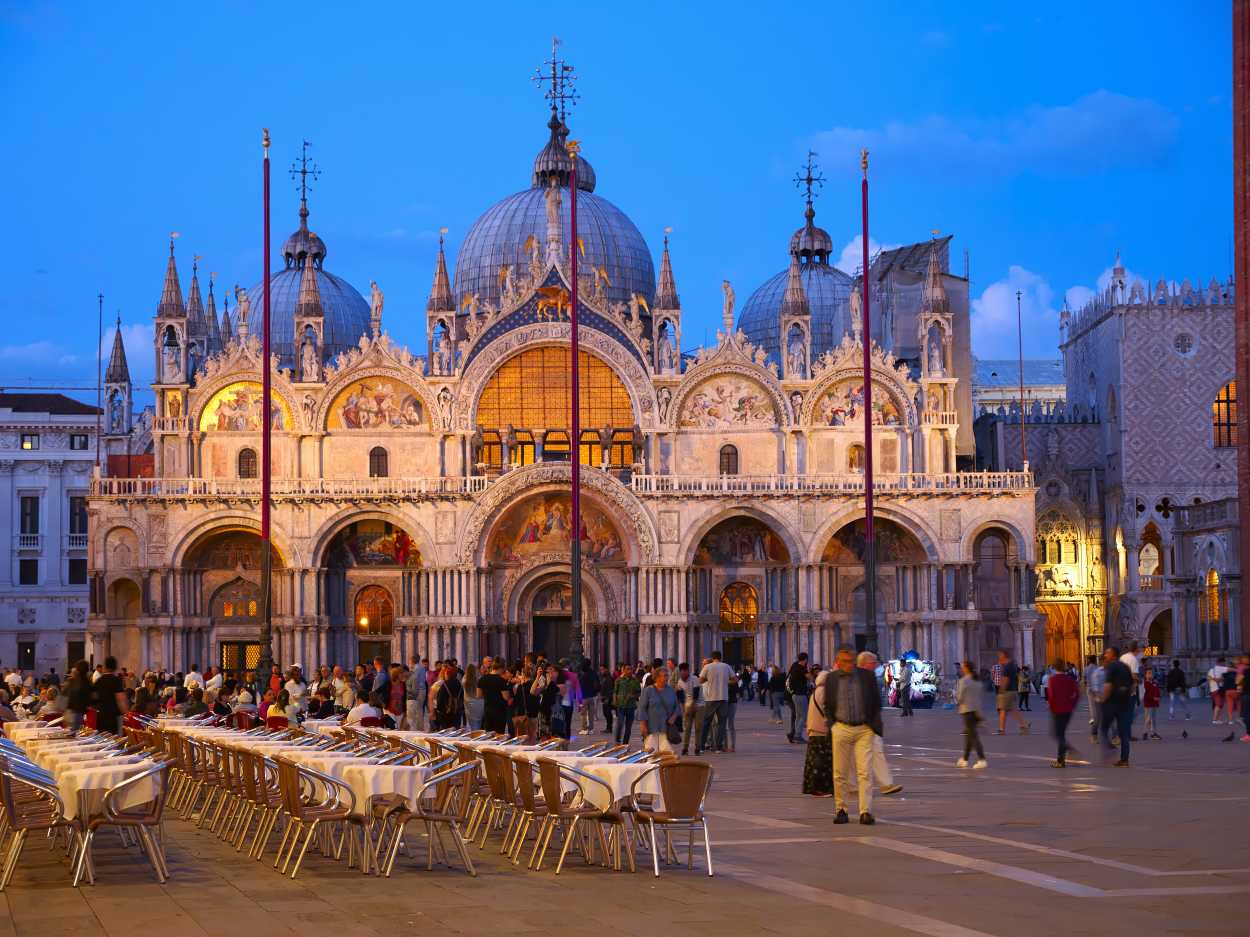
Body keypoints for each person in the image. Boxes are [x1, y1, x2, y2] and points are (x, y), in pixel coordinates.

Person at [824, 647, 882, 825]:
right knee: (839, 773)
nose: (849, 665)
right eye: (845, 661)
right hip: (841, 727)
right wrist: (833, 725)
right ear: (838, 662)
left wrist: (872, 725)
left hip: (864, 728)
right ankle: (841, 809)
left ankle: (866, 811)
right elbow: (828, 704)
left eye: (851, 661)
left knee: (864, 772)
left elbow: (876, 701)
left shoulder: (867, 677)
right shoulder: (832, 679)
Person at [857, 651, 902, 796]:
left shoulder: (869, 677)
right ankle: (850, 785)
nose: (876, 665)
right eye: (873, 663)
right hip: (858, 724)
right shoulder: (855, 677)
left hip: (870, 725)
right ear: (865, 663)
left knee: (877, 753)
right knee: (855, 757)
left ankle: (886, 784)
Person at [1099, 646, 1135, 767]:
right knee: (1124, 733)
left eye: (1107, 653)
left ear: (1114, 655)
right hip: (1125, 703)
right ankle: (1124, 760)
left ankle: (1111, 747)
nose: (1105, 655)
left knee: (1103, 729)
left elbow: (1108, 686)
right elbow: (1132, 685)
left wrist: (1103, 699)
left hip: (1112, 703)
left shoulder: (1111, 666)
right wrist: (1127, 698)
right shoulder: (1126, 667)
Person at [802, 669, 833, 796]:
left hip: (814, 729)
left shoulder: (816, 691)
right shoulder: (824, 692)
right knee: (821, 761)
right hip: (820, 730)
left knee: (814, 760)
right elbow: (828, 710)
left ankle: (812, 787)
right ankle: (819, 788)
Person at [1046, 657, 1080, 767]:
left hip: (1057, 710)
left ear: (1054, 667)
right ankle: (1061, 759)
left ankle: (1065, 755)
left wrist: (1051, 707)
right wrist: (1072, 704)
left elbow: (1051, 696)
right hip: (1068, 710)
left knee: (1057, 734)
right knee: (1060, 734)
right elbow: (1077, 693)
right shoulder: (1069, 679)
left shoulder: (1052, 679)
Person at [699, 651, 735, 753]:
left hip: (711, 697)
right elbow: (735, 679)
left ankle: (702, 746)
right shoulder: (726, 666)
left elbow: (700, 680)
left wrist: (709, 680)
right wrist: (726, 681)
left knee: (706, 722)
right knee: (721, 723)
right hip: (723, 697)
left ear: (712, 657)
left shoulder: (707, 667)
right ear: (721, 657)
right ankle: (718, 747)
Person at [637, 667, 679, 754]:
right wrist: (642, 725)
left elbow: (677, 707)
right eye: (664, 676)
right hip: (651, 728)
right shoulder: (648, 690)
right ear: (657, 678)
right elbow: (642, 708)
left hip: (666, 728)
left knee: (667, 755)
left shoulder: (671, 690)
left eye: (667, 676)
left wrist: (674, 717)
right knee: (651, 754)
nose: (666, 678)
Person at [955, 660, 987, 768]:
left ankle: (982, 759)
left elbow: (960, 697)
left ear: (966, 668)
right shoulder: (977, 681)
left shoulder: (964, 680)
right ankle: (964, 759)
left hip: (967, 710)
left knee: (973, 736)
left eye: (963, 667)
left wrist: (957, 700)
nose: (962, 668)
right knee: (969, 735)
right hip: (976, 710)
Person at [992, 650, 1030, 735]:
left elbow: (1005, 679)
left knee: (1003, 710)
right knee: (1012, 710)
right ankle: (1024, 725)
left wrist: (1001, 690)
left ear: (1004, 656)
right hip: (1012, 690)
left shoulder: (1007, 666)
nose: (999, 658)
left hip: (1007, 691)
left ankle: (1002, 730)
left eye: (1000, 656)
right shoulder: (1012, 665)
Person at [93, 656, 128, 735]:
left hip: (101, 716)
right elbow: (120, 699)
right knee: (115, 741)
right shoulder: (116, 681)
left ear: (105, 666)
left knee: (101, 740)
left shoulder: (99, 681)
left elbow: (93, 698)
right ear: (115, 667)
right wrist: (125, 713)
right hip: (113, 716)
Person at [677, 662, 705, 756]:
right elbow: (680, 697)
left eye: (686, 671)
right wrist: (683, 709)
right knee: (687, 728)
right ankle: (685, 748)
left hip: (699, 705)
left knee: (698, 727)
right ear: (680, 672)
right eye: (682, 671)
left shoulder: (694, 679)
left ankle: (697, 747)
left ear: (688, 671)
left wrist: (692, 706)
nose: (684, 673)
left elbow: (696, 694)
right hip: (688, 705)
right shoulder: (680, 681)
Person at [478, 660, 512, 734]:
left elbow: (479, 695)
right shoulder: (501, 681)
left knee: (489, 735)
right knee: (499, 735)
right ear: (501, 668)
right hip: (500, 712)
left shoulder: (482, 679)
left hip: (487, 711)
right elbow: (506, 697)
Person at [612, 664, 641, 744]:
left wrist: (633, 695)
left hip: (631, 706)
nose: (630, 671)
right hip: (621, 705)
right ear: (624, 670)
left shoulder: (635, 681)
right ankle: (618, 740)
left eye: (631, 669)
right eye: (628, 669)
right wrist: (615, 702)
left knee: (629, 726)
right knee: (620, 723)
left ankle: (625, 742)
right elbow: (615, 691)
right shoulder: (619, 680)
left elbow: (639, 693)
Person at [787, 653, 811, 743]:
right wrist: (809, 671)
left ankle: (796, 735)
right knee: (803, 716)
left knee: (798, 716)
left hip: (794, 694)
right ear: (805, 659)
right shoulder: (801, 669)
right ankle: (798, 735)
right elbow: (810, 678)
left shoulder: (794, 665)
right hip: (801, 694)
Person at [432, 665, 464, 730]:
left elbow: (440, 699)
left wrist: (439, 711)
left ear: (448, 675)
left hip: (446, 713)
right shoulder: (459, 684)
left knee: (446, 732)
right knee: (455, 731)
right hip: (456, 713)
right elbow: (462, 698)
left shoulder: (445, 684)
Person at [1086, 654, 1105, 743]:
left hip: (1100, 693)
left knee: (1100, 714)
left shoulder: (1089, 669)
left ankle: (1113, 736)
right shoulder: (1096, 670)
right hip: (1097, 694)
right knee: (1097, 715)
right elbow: (1094, 684)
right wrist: (1096, 695)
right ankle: (1094, 734)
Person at [1141, 667, 1162, 740]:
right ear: (1145, 675)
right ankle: (1150, 733)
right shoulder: (1145, 684)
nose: (1150, 675)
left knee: (1153, 718)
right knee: (1148, 719)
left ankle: (1148, 733)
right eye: (1149, 673)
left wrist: (1158, 697)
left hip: (1154, 703)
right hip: (1148, 703)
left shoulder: (1154, 682)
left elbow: (1157, 691)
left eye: (1151, 673)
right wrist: (1153, 698)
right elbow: (1145, 694)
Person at [1208, 657, 1230, 724]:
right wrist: (1221, 679)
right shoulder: (1221, 669)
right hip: (1218, 689)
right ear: (1221, 662)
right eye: (1224, 663)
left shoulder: (1211, 670)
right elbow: (1219, 679)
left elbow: (1209, 679)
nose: (1224, 664)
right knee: (1218, 705)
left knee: (1217, 705)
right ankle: (1215, 720)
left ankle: (1217, 719)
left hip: (1212, 689)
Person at [463, 664, 484, 729]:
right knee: (479, 722)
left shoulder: (464, 680)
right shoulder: (479, 679)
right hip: (479, 703)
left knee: (472, 724)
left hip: (468, 703)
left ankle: (475, 734)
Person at [599, 664, 615, 736]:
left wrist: (608, 698)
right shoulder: (604, 677)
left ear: (606, 669)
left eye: (602, 669)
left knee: (607, 713)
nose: (601, 671)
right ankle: (608, 727)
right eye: (600, 670)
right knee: (605, 713)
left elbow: (610, 689)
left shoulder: (609, 678)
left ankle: (609, 728)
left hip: (607, 698)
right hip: (604, 698)